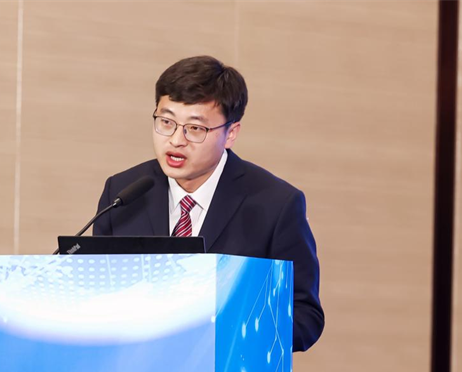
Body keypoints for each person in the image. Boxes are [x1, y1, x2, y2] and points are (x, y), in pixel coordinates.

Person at [93, 56, 324, 351]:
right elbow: (96, 294)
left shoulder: (275, 205)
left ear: (231, 134)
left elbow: (305, 317)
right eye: (166, 122)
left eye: (195, 128)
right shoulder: (122, 193)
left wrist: (231, 330)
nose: (176, 140)